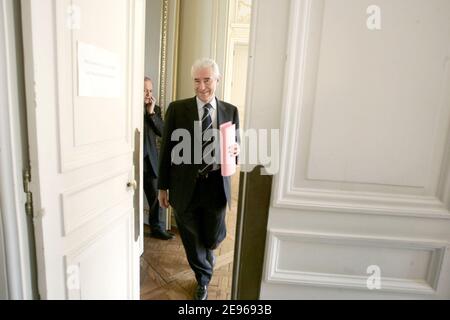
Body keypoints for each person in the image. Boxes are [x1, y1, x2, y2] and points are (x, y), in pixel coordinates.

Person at [157, 58, 240, 300]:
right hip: (185, 187)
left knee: (212, 237)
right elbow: (165, 151)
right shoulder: (177, 109)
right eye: (197, 81)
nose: (202, 86)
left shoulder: (230, 111)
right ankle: (203, 278)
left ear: (217, 80)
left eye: (207, 80)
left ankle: (208, 253)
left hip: (216, 186)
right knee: (192, 240)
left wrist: (236, 151)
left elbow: (236, 147)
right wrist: (163, 186)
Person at [143, 77, 174, 240]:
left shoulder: (156, 109)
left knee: (156, 198)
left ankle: (157, 228)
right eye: (145, 90)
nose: (148, 94)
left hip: (150, 162)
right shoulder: (129, 110)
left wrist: (151, 113)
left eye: (150, 91)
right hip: (132, 162)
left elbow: (163, 132)